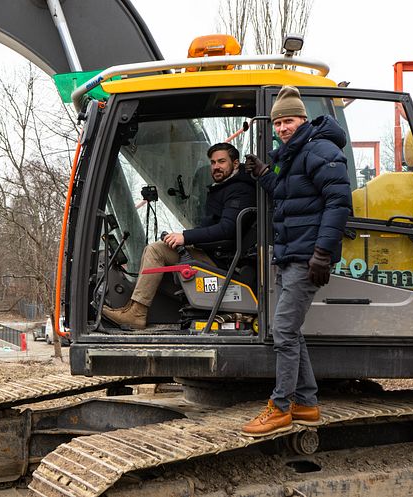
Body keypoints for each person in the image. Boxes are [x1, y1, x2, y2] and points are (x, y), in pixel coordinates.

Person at [241, 86, 352, 436]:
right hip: (292, 254)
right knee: (291, 331)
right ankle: (306, 402)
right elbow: (291, 198)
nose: (282, 128)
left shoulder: (319, 149)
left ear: (302, 119)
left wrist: (322, 252)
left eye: (288, 121)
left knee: (284, 332)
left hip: (306, 256)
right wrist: (263, 175)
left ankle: (281, 406)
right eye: (278, 123)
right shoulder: (294, 154)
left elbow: (339, 203)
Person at [103, 142, 257, 329]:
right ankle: (132, 309)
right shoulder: (225, 187)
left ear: (235, 163)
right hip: (213, 252)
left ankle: (136, 313)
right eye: (213, 162)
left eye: (222, 161)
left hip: (222, 259)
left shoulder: (239, 189)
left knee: (157, 251)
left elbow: (227, 229)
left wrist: (185, 237)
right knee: (157, 249)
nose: (216, 166)